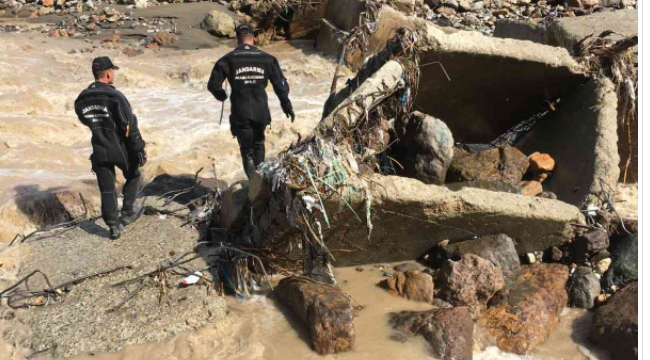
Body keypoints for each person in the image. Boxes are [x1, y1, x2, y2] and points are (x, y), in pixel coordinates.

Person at [208, 23, 295, 180]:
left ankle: (253, 186)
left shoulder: (226, 60)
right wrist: (286, 105)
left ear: (237, 40)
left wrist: (222, 95)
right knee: (259, 144)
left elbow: (213, 85)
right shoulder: (268, 59)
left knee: (247, 151)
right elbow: (281, 85)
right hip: (261, 111)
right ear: (254, 38)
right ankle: (260, 183)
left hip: (241, 112)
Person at [74, 56, 147, 240]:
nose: (112, 73)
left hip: (98, 147)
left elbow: (85, 120)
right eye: (112, 71)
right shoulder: (115, 96)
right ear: (108, 73)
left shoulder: (82, 98)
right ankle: (128, 212)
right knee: (133, 174)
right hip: (118, 147)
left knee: (107, 188)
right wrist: (139, 148)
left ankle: (113, 226)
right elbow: (129, 125)